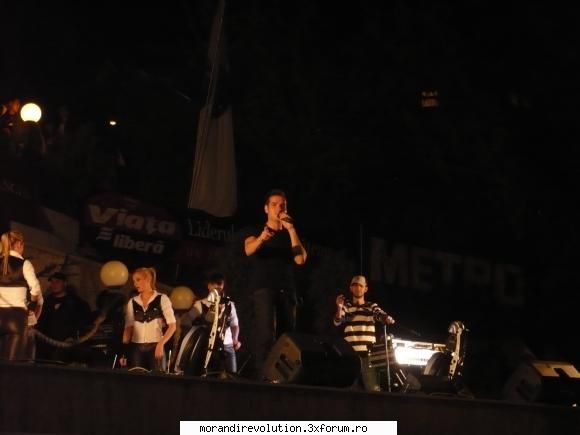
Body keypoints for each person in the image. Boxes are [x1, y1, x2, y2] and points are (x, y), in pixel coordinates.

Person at [243, 188, 307, 379]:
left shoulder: (290, 234)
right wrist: (262, 238)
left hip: (287, 290)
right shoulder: (257, 231)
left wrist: (291, 229)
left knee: (287, 337)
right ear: (266, 208)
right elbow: (248, 249)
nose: (279, 208)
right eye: (274, 204)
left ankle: (282, 378)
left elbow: (300, 259)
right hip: (264, 289)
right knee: (266, 335)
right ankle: (264, 378)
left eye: (282, 205)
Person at [334, 275, 395, 390]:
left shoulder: (371, 306)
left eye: (361, 286)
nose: (357, 288)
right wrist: (339, 307)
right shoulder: (347, 306)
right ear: (350, 288)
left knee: (373, 388)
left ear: (365, 289)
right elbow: (337, 321)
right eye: (354, 285)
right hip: (350, 356)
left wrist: (386, 317)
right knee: (348, 389)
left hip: (368, 356)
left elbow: (379, 314)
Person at [119, 267, 176, 371]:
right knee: (136, 377)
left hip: (155, 345)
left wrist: (161, 344)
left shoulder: (162, 298)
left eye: (138, 280)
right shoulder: (132, 302)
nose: (135, 284)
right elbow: (128, 328)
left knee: (157, 377)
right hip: (136, 348)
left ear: (148, 279)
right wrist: (124, 353)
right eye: (134, 281)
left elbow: (172, 326)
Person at [0, 230, 43, 361]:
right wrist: (32, 308)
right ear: (19, 244)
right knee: (13, 364)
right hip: (16, 317)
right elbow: (36, 290)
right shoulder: (24, 264)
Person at [187, 272, 241, 374]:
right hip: (206, 345)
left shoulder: (229, 305)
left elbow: (234, 325)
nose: (217, 287)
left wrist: (235, 339)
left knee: (231, 374)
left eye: (220, 284)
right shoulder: (201, 304)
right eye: (214, 284)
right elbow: (187, 320)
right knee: (201, 372)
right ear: (209, 286)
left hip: (226, 345)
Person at [36, 271, 92, 363]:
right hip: (47, 347)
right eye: (52, 282)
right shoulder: (45, 303)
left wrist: (72, 336)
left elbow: (83, 322)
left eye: (57, 282)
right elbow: (40, 323)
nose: (54, 285)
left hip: (68, 346)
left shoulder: (77, 303)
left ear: (65, 283)